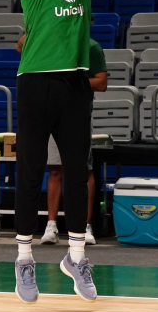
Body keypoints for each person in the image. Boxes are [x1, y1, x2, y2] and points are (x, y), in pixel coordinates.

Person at [14, 0, 98, 304]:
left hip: (74, 83)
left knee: (77, 171)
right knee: (29, 171)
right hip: (35, 82)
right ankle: (24, 259)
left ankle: (76, 257)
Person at [15, 36, 108, 246]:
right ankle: (51, 224)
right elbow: (19, 45)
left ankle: (85, 225)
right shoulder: (48, 42)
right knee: (54, 169)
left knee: (82, 171)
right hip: (48, 109)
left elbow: (102, 82)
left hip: (75, 113)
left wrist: (72, 83)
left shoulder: (91, 47)